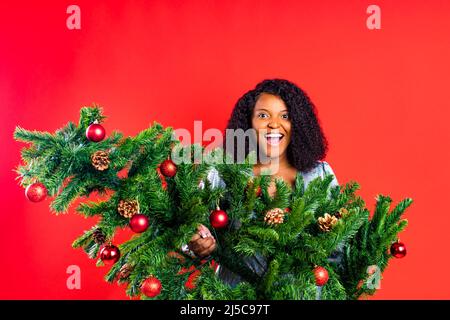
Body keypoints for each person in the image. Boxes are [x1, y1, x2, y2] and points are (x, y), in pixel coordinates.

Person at [187, 79, 339, 296]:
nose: (274, 124)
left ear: (298, 124)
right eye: (263, 115)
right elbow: (191, 229)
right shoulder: (224, 172)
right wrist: (196, 243)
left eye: (285, 116)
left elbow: (340, 245)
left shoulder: (319, 175)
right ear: (248, 122)